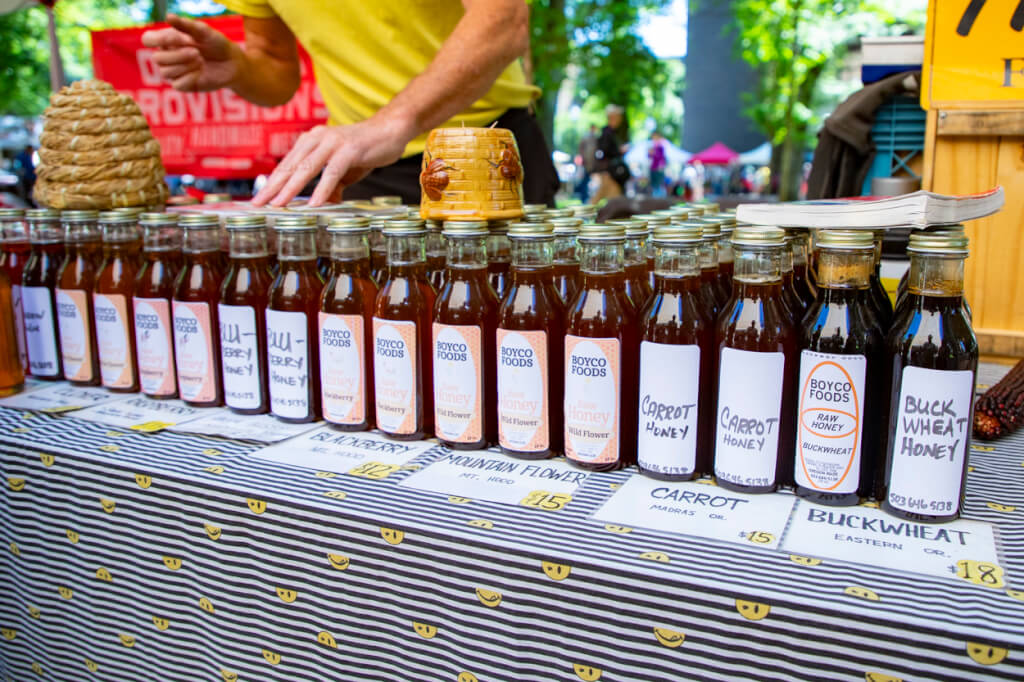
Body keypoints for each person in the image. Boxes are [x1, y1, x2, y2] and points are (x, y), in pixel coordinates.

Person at [141, 3, 559, 208]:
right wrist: (238, 68)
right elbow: (274, 66)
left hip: (487, 149)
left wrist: (394, 122)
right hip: (361, 169)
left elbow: (503, 21)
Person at [592, 104, 629, 203]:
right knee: (613, 201)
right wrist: (619, 151)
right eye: (618, 116)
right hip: (610, 173)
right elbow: (603, 152)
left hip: (610, 172)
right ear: (612, 117)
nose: (620, 119)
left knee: (605, 198)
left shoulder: (610, 133)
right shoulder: (607, 133)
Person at [575, 124, 598, 201]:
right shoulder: (587, 137)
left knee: (587, 180)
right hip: (587, 163)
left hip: (591, 163)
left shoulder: (594, 138)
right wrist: (583, 158)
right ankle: (583, 195)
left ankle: (584, 195)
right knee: (585, 180)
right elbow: (581, 148)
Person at [648, 131, 666, 198]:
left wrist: (654, 153)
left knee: (659, 183)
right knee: (654, 184)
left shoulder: (660, 147)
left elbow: (661, 157)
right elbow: (649, 157)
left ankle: (660, 196)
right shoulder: (652, 146)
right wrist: (650, 153)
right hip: (653, 167)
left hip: (658, 168)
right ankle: (655, 196)